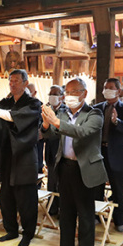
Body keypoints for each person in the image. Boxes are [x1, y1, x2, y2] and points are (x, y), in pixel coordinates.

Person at [41, 77, 107, 246]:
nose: (69, 96)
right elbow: (50, 135)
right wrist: (46, 123)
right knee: (66, 210)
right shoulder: (61, 113)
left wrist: (56, 122)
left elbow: (82, 133)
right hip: (65, 167)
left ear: (84, 94)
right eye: (67, 92)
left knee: (85, 212)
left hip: (84, 168)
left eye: (74, 92)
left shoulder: (94, 114)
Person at [0, 69, 41, 246]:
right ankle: (11, 230)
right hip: (6, 155)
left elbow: (18, 119)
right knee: (6, 196)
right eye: (10, 81)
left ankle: (28, 233)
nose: (12, 84)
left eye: (16, 80)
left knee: (26, 198)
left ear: (25, 83)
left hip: (24, 156)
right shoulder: (4, 102)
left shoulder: (33, 103)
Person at [94, 78, 123, 232]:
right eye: (105, 87)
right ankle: (96, 217)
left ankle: (119, 221)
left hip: (117, 154)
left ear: (118, 91)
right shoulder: (97, 108)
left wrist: (116, 121)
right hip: (99, 153)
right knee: (96, 188)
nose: (107, 90)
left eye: (111, 87)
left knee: (118, 190)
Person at [44, 85, 66, 215]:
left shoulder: (66, 111)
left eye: (55, 94)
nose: (52, 97)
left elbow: (61, 129)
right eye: (50, 94)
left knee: (62, 183)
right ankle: (52, 207)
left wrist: (47, 130)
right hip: (50, 151)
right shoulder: (46, 109)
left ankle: (62, 209)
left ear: (62, 96)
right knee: (51, 181)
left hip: (62, 151)